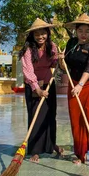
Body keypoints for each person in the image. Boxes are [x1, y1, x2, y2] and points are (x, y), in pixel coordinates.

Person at [58, 14, 89, 165]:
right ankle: (80, 153)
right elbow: (64, 68)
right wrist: (60, 59)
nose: (83, 34)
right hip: (74, 81)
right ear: (76, 31)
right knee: (76, 119)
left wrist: (80, 85)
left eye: (87, 31)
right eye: (81, 31)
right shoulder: (71, 43)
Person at [19, 18, 63, 163]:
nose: (40, 37)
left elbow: (56, 64)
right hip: (33, 86)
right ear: (32, 35)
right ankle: (35, 150)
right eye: (37, 34)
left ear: (47, 33)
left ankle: (50, 145)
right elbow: (28, 71)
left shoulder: (52, 46)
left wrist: (61, 59)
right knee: (35, 117)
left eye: (43, 33)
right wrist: (37, 89)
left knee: (50, 116)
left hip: (49, 84)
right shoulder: (28, 50)